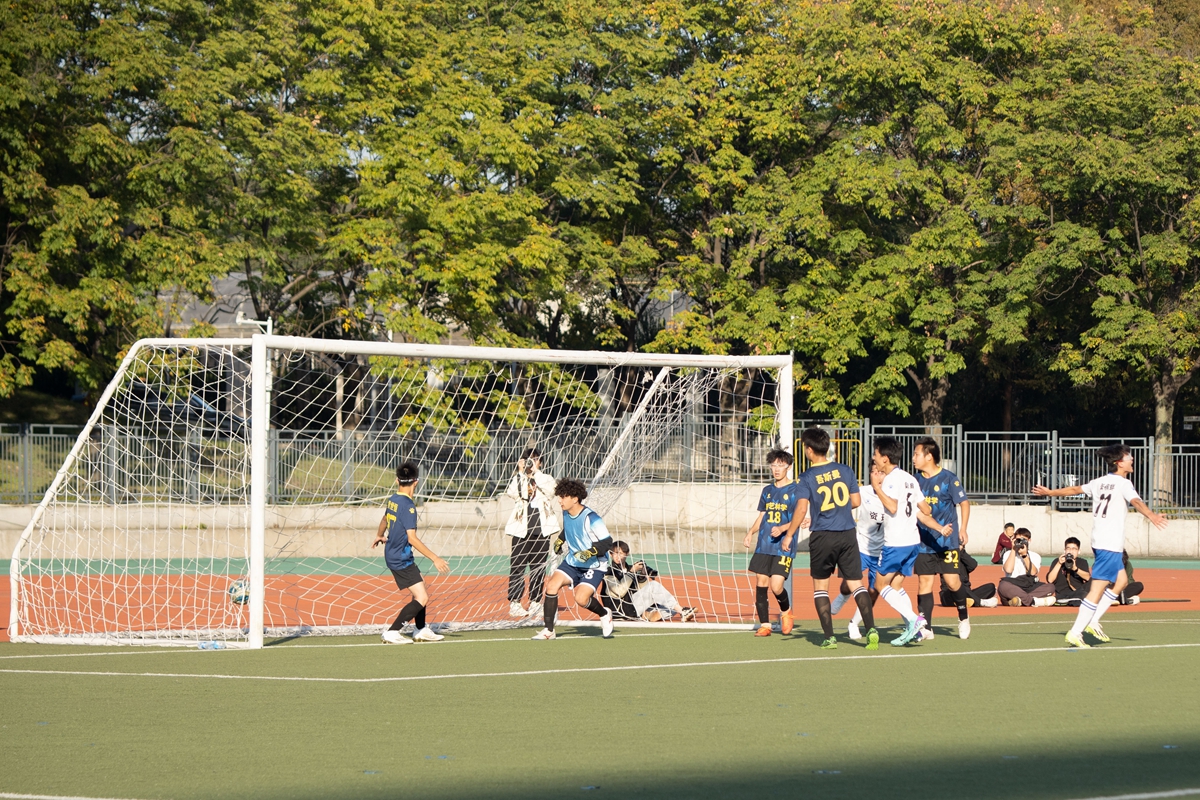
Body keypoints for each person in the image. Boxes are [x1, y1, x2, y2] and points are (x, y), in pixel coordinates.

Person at [1034, 445, 1167, 647]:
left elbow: (1074, 489)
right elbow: (1137, 501)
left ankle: (1093, 620)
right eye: (1128, 457)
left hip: (1100, 542)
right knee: (1096, 589)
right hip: (1109, 545)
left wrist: (1050, 492)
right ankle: (1076, 631)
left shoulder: (1099, 482)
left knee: (1121, 581)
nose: (1132, 459)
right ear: (1118, 462)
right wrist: (1152, 516)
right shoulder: (1123, 483)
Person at [782, 427, 879, 650]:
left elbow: (801, 509)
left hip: (823, 536)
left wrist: (789, 535)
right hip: (847, 534)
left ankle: (829, 637)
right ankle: (871, 629)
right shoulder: (845, 470)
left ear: (809, 450)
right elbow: (855, 501)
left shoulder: (806, 477)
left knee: (821, 589)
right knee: (857, 585)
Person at [870, 436, 951, 646]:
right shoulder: (910, 478)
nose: (874, 458)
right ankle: (914, 628)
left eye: (876, 454)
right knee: (896, 585)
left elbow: (894, 507)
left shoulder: (890, 480)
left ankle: (915, 620)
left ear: (885, 458)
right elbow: (926, 509)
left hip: (895, 542)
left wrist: (877, 488)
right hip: (913, 541)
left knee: (880, 584)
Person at [372, 461, 451, 644]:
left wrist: (379, 534)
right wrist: (435, 558)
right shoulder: (409, 506)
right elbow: (412, 538)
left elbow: (384, 518)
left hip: (396, 554)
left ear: (397, 480)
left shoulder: (393, 499)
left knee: (420, 585)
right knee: (422, 597)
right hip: (400, 558)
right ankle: (392, 631)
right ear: (416, 482)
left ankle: (421, 629)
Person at [531, 478, 616, 641]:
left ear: (575, 499)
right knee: (551, 586)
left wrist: (589, 553)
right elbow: (568, 529)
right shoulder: (566, 512)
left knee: (581, 599)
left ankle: (605, 614)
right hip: (573, 562)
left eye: (563, 496)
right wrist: (560, 540)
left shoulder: (591, 518)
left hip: (594, 564)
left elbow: (607, 542)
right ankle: (549, 630)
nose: (559, 500)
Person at [912, 436, 974, 640]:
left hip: (947, 543)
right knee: (924, 583)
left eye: (916, 454)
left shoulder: (949, 478)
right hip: (923, 542)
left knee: (952, 582)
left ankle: (963, 617)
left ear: (929, 456)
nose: (913, 458)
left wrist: (962, 529)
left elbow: (964, 503)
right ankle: (926, 627)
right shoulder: (915, 480)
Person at [743, 449, 800, 637]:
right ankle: (765, 625)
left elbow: (800, 517)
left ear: (788, 467)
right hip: (764, 545)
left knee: (776, 586)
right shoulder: (767, 491)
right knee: (761, 582)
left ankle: (786, 612)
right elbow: (762, 516)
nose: (776, 469)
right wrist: (751, 532)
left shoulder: (796, 490)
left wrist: (783, 529)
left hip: (784, 545)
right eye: (773, 465)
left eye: (780, 465)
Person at [830, 463, 887, 641]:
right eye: (873, 472)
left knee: (873, 590)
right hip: (860, 547)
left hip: (882, 551)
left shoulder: (894, 496)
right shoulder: (863, 492)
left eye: (881, 473)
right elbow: (840, 506)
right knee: (848, 585)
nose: (877, 476)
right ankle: (842, 596)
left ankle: (854, 623)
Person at [504, 448, 560, 618]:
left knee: (538, 568)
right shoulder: (519, 478)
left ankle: (535, 602)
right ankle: (515, 602)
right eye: (527, 459)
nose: (530, 462)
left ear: (540, 462)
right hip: (521, 530)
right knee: (518, 567)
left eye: (534, 459)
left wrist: (536, 473)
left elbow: (552, 491)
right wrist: (521, 472)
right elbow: (512, 493)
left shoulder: (545, 478)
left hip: (542, 530)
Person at [602, 541, 696, 622]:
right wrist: (632, 572)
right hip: (619, 610)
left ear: (627, 554)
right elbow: (619, 592)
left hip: (631, 607)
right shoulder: (608, 572)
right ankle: (682, 611)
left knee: (670, 609)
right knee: (654, 586)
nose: (618, 557)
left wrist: (642, 576)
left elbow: (641, 591)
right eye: (616, 553)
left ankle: (647, 615)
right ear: (611, 554)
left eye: (621, 553)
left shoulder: (630, 568)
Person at [997, 528, 1057, 607]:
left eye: (1024, 540)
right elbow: (1008, 570)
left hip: (1029, 584)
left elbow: (1033, 573)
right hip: (1013, 584)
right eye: (1018, 540)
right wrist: (1013, 549)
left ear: (1029, 541)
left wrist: (1025, 556)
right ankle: (1033, 601)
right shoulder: (1008, 553)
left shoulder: (1035, 556)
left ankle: (1018, 601)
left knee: (1050, 587)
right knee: (1003, 586)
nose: (1021, 542)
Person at [1046, 537, 1092, 606]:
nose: (1071, 551)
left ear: (1079, 551)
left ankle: (1071, 600)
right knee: (1083, 596)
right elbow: (1050, 580)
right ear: (1065, 550)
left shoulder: (1082, 562)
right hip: (1062, 593)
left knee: (1094, 581)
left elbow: (1088, 578)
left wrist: (1075, 568)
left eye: (1074, 549)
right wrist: (1059, 563)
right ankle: (1072, 600)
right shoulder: (1057, 561)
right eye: (1068, 548)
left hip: (1078, 591)